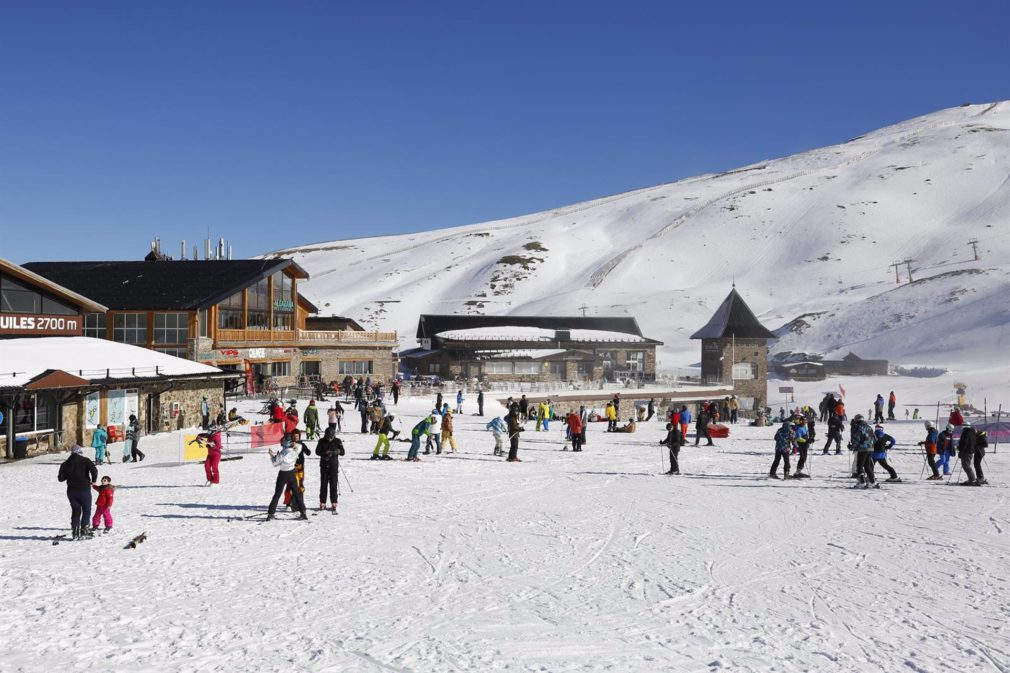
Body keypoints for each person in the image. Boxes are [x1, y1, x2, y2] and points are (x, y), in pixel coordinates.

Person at [58, 445, 98, 539]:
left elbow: (60, 479)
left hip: (72, 491)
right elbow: (94, 470)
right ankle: (84, 531)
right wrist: (93, 480)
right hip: (84, 489)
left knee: (76, 510)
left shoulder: (65, 464)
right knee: (86, 509)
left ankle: (75, 532)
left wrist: (68, 474)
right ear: (80, 452)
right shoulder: (85, 460)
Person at [266, 435, 309, 521]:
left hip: (283, 474)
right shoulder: (295, 450)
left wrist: (271, 456)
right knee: (296, 493)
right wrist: (295, 445)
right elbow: (299, 446)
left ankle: (271, 514)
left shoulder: (282, 454)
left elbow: (275, 464)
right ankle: (303, 512)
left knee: (277, 493)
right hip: (292, 473)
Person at [316, 428, 344, 510]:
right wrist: (324, 453)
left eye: (331, 437)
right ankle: (322, 502)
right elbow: (317, 451)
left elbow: (343, 452)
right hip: (324, 466)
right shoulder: (321, 441)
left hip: (333, 466)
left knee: (333, 485)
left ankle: (334, 502)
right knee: (323, 485)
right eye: (328, 437)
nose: (329, 439)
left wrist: (335, 452)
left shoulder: (337, 441)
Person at [850, 415, 879, 488]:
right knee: (867, 466)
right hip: (870, 449)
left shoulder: (859, 428)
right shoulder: (869, 427)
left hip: (862, 449)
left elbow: (856, 439)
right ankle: (872, 481)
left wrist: (852, 446)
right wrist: (870, 445)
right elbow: (875, 439)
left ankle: (862, 482)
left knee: (859, 466)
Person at [957, 420, 987, 486]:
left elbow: (965, 443)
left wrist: (961, 451)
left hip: (967, 451)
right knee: (967, 465)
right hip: (970, 451)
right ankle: (972, 479)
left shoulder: (966, 433)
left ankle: (972, 479)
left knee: (966, 466)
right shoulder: (971, 432)